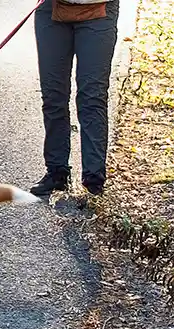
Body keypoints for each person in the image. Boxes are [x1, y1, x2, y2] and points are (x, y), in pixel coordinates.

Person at [31, 0, 120, 196]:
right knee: (53, 96)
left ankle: (94, 179)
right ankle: (56, 172)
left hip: (99, 11)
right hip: (52, 10)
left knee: (92, 97)